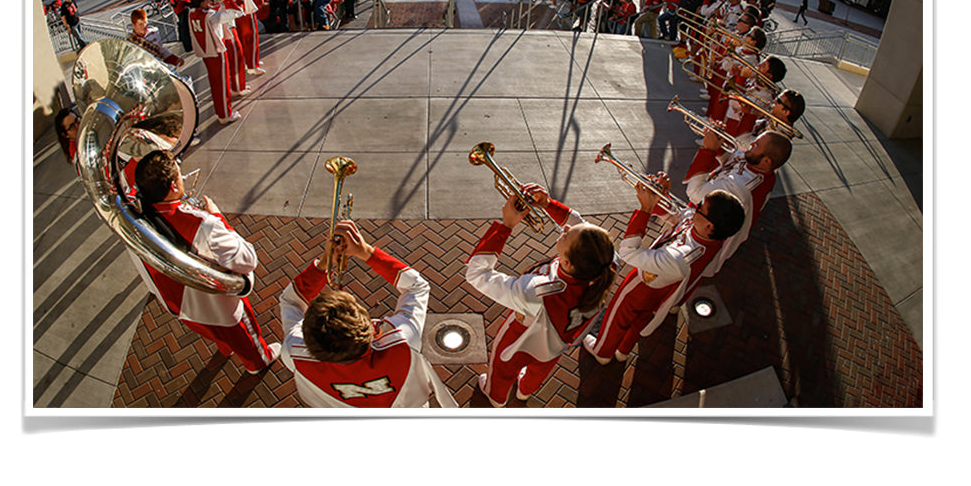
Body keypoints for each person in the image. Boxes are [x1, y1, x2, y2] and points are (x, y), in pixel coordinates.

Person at [465, 184, 618, 407]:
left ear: (568, 263)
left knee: (502, 367)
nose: (565, 228)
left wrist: (506, 225)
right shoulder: (607, 263)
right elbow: (580, 226)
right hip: (555, 345)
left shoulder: (538, 291)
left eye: (566, 235)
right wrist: (547, 204)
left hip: (519, 338)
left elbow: (477, 274)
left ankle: (495, 397)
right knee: (539, 370)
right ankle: (524, 392)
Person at [279, 220, 457, 408]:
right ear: (368, 327)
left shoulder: (294, 353)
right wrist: (365, 252)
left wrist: (324, 264)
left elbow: (291, 300)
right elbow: (416, 286)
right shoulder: (402, 344)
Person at [133, 149, 280, 372]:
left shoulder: (135, 219)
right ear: (173, 186)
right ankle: (259, 361)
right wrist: (217, 217)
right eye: (180, 176)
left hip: (177, 302)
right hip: (215, 304)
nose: (183, 179)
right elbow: (247, 260)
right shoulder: (203, 225)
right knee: (244, 337)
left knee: (213, 332)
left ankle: (225, 347)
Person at [583, 176, 745, 364]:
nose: (694, 208)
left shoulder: (680, 259)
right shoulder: (710, 235)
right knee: (641, 318)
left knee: (617, 315)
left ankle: (602, 352)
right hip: (661, 289)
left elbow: (628, 252)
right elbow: (676, 216)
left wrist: (645, 209)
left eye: (700, 208)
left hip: (643, 285)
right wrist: (659, 196)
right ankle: (623, 350)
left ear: (710, 226)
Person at [681, 127, 793, 279]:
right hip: (705, 218)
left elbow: (695, 193)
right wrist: (718, 143)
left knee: (688, 267)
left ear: (767, 161)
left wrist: (708, 150)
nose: (751, 144)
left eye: (756, 144)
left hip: (704, 228)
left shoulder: (740, 187)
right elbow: (731, 161)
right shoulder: (758, 164)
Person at [187, 0, 239, 124]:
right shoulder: (210, 16)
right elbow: (237, 13)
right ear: (202, 3)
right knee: (223, 84)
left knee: (215, 84)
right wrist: (227, 0)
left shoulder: (192, 13)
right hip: (217, 52)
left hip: (206, 53)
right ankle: (225, 114)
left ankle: (220, 111)